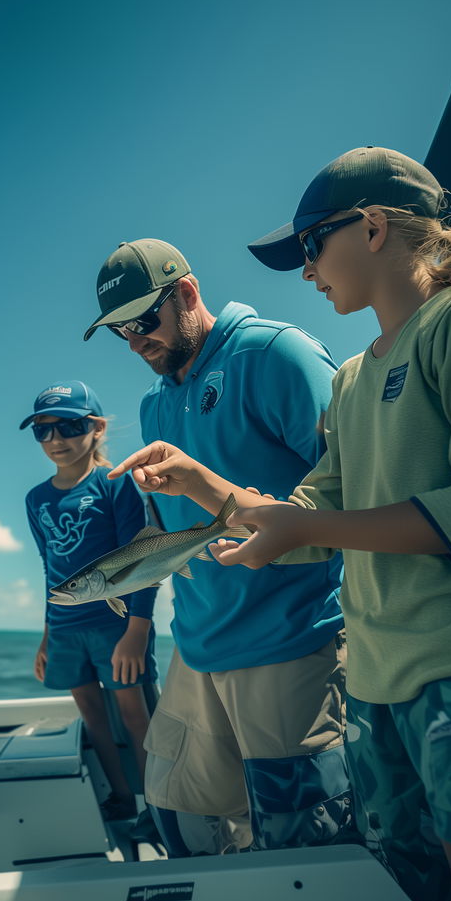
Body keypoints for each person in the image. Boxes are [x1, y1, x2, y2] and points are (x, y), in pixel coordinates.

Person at [113, 148, 451, 901]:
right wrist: (207, 487)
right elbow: (312, 509)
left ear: (371, 229)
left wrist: (304, 530)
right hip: (377, 683)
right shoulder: (352, 378)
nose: (305, 271)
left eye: (310, 246)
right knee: (417, 886)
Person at [83, 239, 350, 856]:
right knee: (178, 821)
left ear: (187, 293)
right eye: (119, 331)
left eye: (143, 321)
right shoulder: (155, 405)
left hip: (291, 640)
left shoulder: (275, 353)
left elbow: (358, 490)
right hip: (197, 649)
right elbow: (161, 538)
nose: (134, 342)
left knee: (301, 846)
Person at [21, 380, 158, 822]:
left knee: (135, 715)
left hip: (114, 626)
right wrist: (46, 637)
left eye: (69, 427)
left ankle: (158, 804)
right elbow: (50, 571)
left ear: (96, 428)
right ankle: (120, 797)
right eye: (43, 431)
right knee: (92, 716)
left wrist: (137, 631)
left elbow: (143, 560)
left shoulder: (114, 483)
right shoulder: (35, 498)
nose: (56, 440)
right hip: (64, 630)